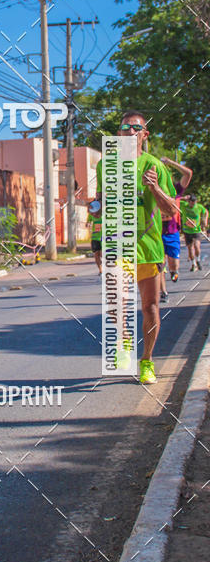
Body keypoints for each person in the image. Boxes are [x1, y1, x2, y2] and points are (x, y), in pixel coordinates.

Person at [96, 111, 178, 384]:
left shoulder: (154, 165)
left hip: (147, 246)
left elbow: (171, 211)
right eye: (124, 128)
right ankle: (125, 343)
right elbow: (100, 202)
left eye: (136, 128)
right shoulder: (105, 165)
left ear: (144, 134)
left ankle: (147, 361)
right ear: (118, 134)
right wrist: (96, 207)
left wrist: (154, 188)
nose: (129, 131)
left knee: (150, 307)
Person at [158, 157, 192, 299]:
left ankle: (174, 272)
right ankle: (163, 292)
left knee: (173, 265)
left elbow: (188, 174)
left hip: (172, 233)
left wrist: (171, 162)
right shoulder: (153, 191)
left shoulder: (176, 191)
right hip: (157, 232)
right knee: (159, 264)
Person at [181, 193, 209, 271]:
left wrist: (205, 220)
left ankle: (198, 260)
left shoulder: (199, 207)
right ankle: (193, 264)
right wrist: (184, 197)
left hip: (196, 230)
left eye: (195, 202)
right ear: (189, 201)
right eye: (192, 202)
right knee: (190, 249)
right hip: (187, 231)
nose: (193, 204)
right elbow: (174, 200)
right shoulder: (184, 205)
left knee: (197, 246)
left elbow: (206, 211)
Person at [88, 200, 102, 275]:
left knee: (102, 253)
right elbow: (89, 222)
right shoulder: (91, 214)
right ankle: (100, 270)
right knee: (96, 254)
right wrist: (88, 224)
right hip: (95, 237)